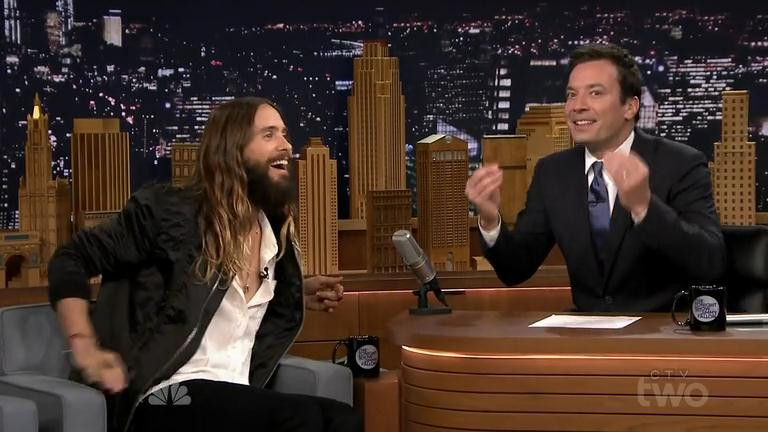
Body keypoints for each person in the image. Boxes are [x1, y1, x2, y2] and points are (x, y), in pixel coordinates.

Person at [48, 97, 363, 432]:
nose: (286, 144)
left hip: (234, 393)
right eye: (269, 134)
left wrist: (294, 293)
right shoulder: (171, 213)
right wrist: (84, 346)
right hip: (167, 395)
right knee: (299, 418)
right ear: (232, 149)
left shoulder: (273, 236)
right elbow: (71, 259)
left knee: (343, 418)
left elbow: (225, 308)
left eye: (284, 134)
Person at [465, 43, 725, 312]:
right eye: (571, 94)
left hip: (661, 330)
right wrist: (489, 218)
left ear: (630, 106)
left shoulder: (680, 163)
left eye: (595, 93)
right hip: (585, 333)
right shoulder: (553, 173)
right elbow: (515, 269)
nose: (577, 106)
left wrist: (643, 207)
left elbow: (710, 263)